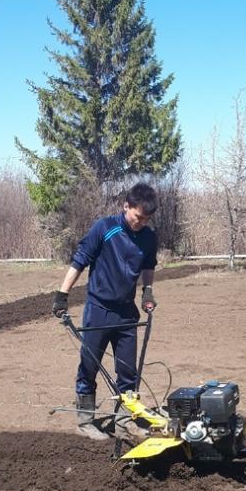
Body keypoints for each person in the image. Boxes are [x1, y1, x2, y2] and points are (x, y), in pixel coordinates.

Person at [52, 182, 158, 440]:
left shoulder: (148, 237)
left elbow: (148, 265)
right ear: (126, 206)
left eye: (145, 219)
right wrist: (62, 295)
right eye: (137, 217)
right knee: (89, 366)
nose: (140, 223)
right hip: (98, 310)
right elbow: (80, 259)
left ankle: (123, 422)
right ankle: (85, 421)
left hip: (126, 314)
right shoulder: (105, 228)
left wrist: (147, 291)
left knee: (128, 372)